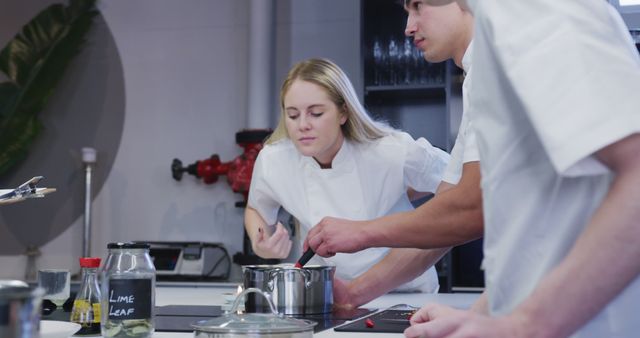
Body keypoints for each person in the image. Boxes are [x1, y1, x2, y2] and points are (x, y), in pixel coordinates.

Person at [404, 0, 640, 337]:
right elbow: (547, 221)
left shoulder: (526, 8)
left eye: (417, 5)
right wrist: (483, 314)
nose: (409, 26)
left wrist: (527, 324)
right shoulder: (497, 27)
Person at [245, 58, 450, 307]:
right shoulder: (275, 160)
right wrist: (262, 244)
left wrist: (412, 196)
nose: (303, 125)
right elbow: (256, 208)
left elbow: (463, 185)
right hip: (330, 298)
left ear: (343, 112)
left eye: (316, 113)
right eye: (293, 115)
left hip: (405, 296)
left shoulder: (390, 150)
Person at [304, 1, 482, 257]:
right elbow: (445, 217)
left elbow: (470, 207)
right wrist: (355, 292)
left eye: (418, 6)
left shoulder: (492, 71)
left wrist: (362, 232)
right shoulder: (476, 77)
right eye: (292, 114)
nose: (408, 28)